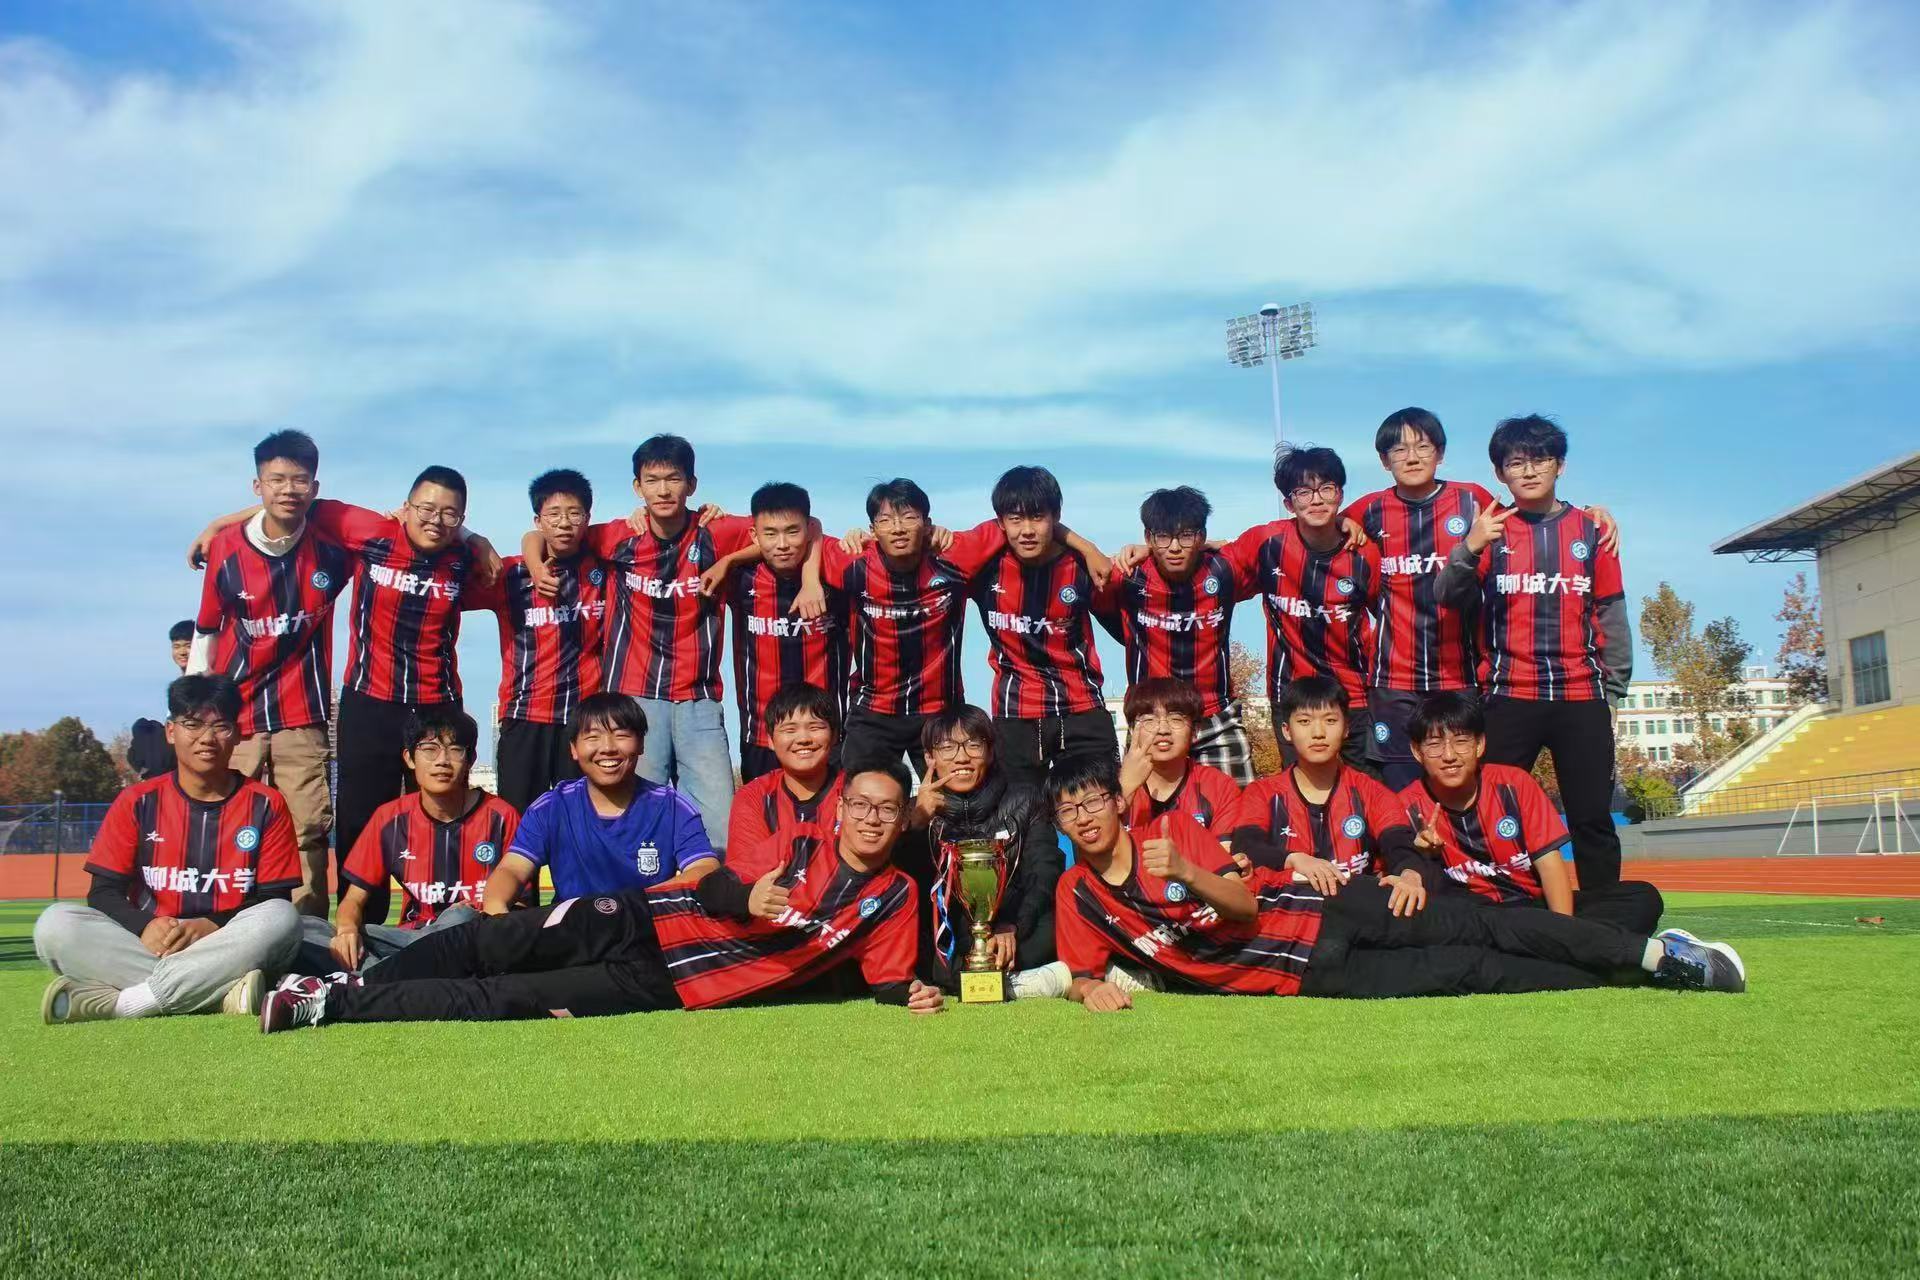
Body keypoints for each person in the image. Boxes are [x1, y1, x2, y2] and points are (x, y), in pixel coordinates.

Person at [260, 763, 947, 1028]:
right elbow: (714, 879)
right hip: (643, 918)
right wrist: (745, 899)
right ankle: (347, 979)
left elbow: (885, 977)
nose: (872, 818)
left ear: (902, 819)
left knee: (506, 998)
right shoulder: (796, 841)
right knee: (492, 939)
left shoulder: (895, 895)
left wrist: (910, 994)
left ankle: (327, 1004)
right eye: (860, 804)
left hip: (671, 984)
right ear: (840, 810)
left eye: (888, 809)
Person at [1040, 757, 1743, 1012]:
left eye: (1094, 801)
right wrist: (1084, 990)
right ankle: (1625, 973)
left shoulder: (1170, 837)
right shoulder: (1078, 893)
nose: (1085, 817)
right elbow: (1080, 971)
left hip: (1333, 907)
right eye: (1070, 811)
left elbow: (1244, 903)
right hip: (1308, 978)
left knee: (1485, 923)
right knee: (1470, 972)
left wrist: (1187, 872)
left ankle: (1662, 956)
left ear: (1117, 802)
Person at [190, 465, 502, 920]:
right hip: (370, 701)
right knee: (359, 823)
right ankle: (360, 928)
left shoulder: (463, 559)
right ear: (406, 508)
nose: (435, 520)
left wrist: (476, 541)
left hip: (436, 705)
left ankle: (439, 925)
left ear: (462, 520)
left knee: (442, 816)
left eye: (450, 514)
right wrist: (221, 524)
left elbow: (506, 576)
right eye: (426, 509)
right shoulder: (370, 532)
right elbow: (295, 505)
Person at [34, 675, 302, 1024]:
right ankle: (218, 993)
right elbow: (103, 893)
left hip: (228, 942)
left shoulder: (266, 804)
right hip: (153, 945)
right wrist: (145, 926)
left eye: (220, 726)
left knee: (282, 918)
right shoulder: (137, 801)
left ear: (237, 734)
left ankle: (129, 1003)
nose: (207, 738)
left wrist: (210, 926)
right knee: (54, 925)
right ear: (171, 731)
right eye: (193, 724)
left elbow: (273, 898)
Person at [1436, 415, 1632, 890]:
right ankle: (1499, 907)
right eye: (1515, 462)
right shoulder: (1492, 531)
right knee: (1494, 811)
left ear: (1560, 465)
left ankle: (1605, 921)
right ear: (1500, 473)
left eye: (1540, 460)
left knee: (1592, 819)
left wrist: (1614, 690)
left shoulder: (1592, 531)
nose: (1528, 471)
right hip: (1509, 697)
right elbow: (1446, 594)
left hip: (1581, 697)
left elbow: (1611, 611)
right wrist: (1469, 548)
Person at [534, 435, 754, 856]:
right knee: (636, 820)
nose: (663, 490)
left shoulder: (716, 532)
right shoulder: (620, 535)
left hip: (698, 699)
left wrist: (731, 559)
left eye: (674, 479)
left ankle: (707, 897)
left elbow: (798, 528)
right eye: (652, 480)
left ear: (692, 484)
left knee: (718, 829)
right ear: (638, 487)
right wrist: (532, 562)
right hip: (634, 700)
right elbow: (547, 535)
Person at [185, 430, 349, 915]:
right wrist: (196, 712)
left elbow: (394, 525)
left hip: (303, 715)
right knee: (223, 825)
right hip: (236, 717)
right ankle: (219, 930)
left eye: (299, 481)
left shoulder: (333, 546)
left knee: (308, 829)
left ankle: (309, 936)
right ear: (257, 486)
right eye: (276, 480)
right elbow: (206, 629)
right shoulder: (226, 548)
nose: (288, 490)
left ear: (314, 488)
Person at [1399, 692, 1663, 934]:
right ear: (1417, 751)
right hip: (1475, 918)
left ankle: (1542, 952)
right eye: (1434, 744)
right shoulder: (1406, 806)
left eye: (1461, 742)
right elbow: (1397, 882)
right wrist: (1423, 857)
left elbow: (1550, 866)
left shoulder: (1514, 784)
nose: (1449, 755)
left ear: (1479, 745)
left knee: (1642, 898)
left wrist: (1565, 935)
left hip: (1533, 909)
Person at [299, 706, 519, 974]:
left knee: (461, 918)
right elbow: (352, 900)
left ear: (470, 759)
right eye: (429, 749)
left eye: (454, 750)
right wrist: (346, 931)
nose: (442, 761)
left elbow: (519, 906)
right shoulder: (390, 819)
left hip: (471, 941)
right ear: (410, 758)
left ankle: (376, 977)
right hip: (409, 938)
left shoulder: (501, 817)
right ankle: (397, 975)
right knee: (304, 929)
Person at [819, 478, 1004, 775]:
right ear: (872, 530)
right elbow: (808, 535)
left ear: (927, 524)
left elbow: (1016, 520)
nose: (898, 528)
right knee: (865, 794)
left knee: (952, 798)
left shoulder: (954, 558)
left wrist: (1082, 547)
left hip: (940, 711)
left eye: (909, 518)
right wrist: (808, 581)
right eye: (885, 520)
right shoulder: (852, 564)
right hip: (874, 711)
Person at [1221, 445, 1382, 775]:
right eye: (1304, 492)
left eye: (1326, 488)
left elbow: (1393, 620)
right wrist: (1149, 549)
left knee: (1366, 793)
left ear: (1340, 494)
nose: (1316, 500)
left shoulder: (1364, 553)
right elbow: (1211, 568)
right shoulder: (1266, 542)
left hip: (1355, 698)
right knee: (1302, 795)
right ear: (1289, 503)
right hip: (1292, 698)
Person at [481, 692, 719, 910]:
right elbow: (512, 869)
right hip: (573, 932)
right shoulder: (551, 807)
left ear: (641, 744)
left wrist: (636, 904)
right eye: (593, 737)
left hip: (649, 928)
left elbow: (705, 868)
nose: (607, 748)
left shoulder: (672, 807)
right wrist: (495, 907)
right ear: (574, 749)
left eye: (621, 735)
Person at [464, 468, 607, 811]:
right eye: (553, 514)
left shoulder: (604, 570)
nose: (564, 523)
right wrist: (474, 540)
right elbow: (452, 586)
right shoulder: (512, 575)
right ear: (538, 521)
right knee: (518, 820)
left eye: (574, 514)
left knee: (581, 818)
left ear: (588, 519)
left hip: (581, 718)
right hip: (524, 714)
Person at [897, 704, 1064, 996]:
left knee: (1057, 923)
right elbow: (900, 885)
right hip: (948, 932)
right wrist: (916, 825)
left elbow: (1044, 870)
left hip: (1013, 925)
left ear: (990, 751)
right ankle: (1011, 982)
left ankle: (990, 978)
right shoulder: (914, 812)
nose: (962, 757)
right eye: (947, 747)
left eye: (973, 745)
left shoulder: (1025, 799)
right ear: (930, 757)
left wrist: (1014, 925)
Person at [1100, 487, 1263, 784]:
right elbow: (1082, 569)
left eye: (1186, 536)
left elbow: (1277, 543)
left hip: (1215, 718)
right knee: (1137, 811)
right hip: (1151, 719)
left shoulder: (1224, 570)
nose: (1175, 547)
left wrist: (1344, 523)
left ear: (1201, 536)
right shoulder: (1128, 576)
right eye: (1163, 536)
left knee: (1241, 810)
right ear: (1148, 537)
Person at [1225, 675, 1427, 909]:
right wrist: (1293, 859)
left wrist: (1409, 872)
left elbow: (1398, 841)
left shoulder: (1372, 792)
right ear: (1287, 731)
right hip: (1282, 913)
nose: (1318, 732)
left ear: (1346, 728)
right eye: (1305, 721)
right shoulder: (1262, 793)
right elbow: (1246, 845)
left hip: (1355, 912)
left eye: (1330, 720)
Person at [699, 482, 850, 784]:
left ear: (808, 531)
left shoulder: (834, 572)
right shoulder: (739, 577)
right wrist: (729, 558)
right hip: (760, 733)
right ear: (754, 536)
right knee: (765, 811)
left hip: (826, 732)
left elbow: (877, 550)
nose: (782, 544)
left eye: (792, 532)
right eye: (770, 534)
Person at [726, 683, 845, 880]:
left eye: (815, 727)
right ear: (770, 740)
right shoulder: (752, 797)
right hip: (772, 897)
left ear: (833, 736)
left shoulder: (855, 792)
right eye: (790, 730)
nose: (803, 738)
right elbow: (744, 873)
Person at [1117, 677, 1242, 841]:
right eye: (1149, 720)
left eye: (1175, 719)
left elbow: (1225, 854)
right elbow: (1098, 849)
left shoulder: (1219, 787)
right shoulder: (1107, 787)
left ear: (1195, 731)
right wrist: (1124, 791)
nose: (1163, 729)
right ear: (1132, 730)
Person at [128, 620, 197, 780]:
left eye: (188, 646)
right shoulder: (179, 682)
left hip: (186, 738)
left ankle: (154, 776)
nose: (182, 652)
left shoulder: (202, 679)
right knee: (143, 727)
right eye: (176, 646)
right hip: (173, 736)